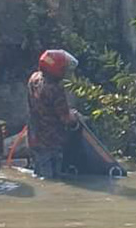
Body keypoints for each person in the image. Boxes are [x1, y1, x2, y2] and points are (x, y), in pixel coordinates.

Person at [27, 50, 81, 179]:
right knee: (51, 179)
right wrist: (76, 117)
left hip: (34, 137)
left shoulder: (34, 79)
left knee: (39, 174)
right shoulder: (55, 89)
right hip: (51, 141)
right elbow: (66, 119)